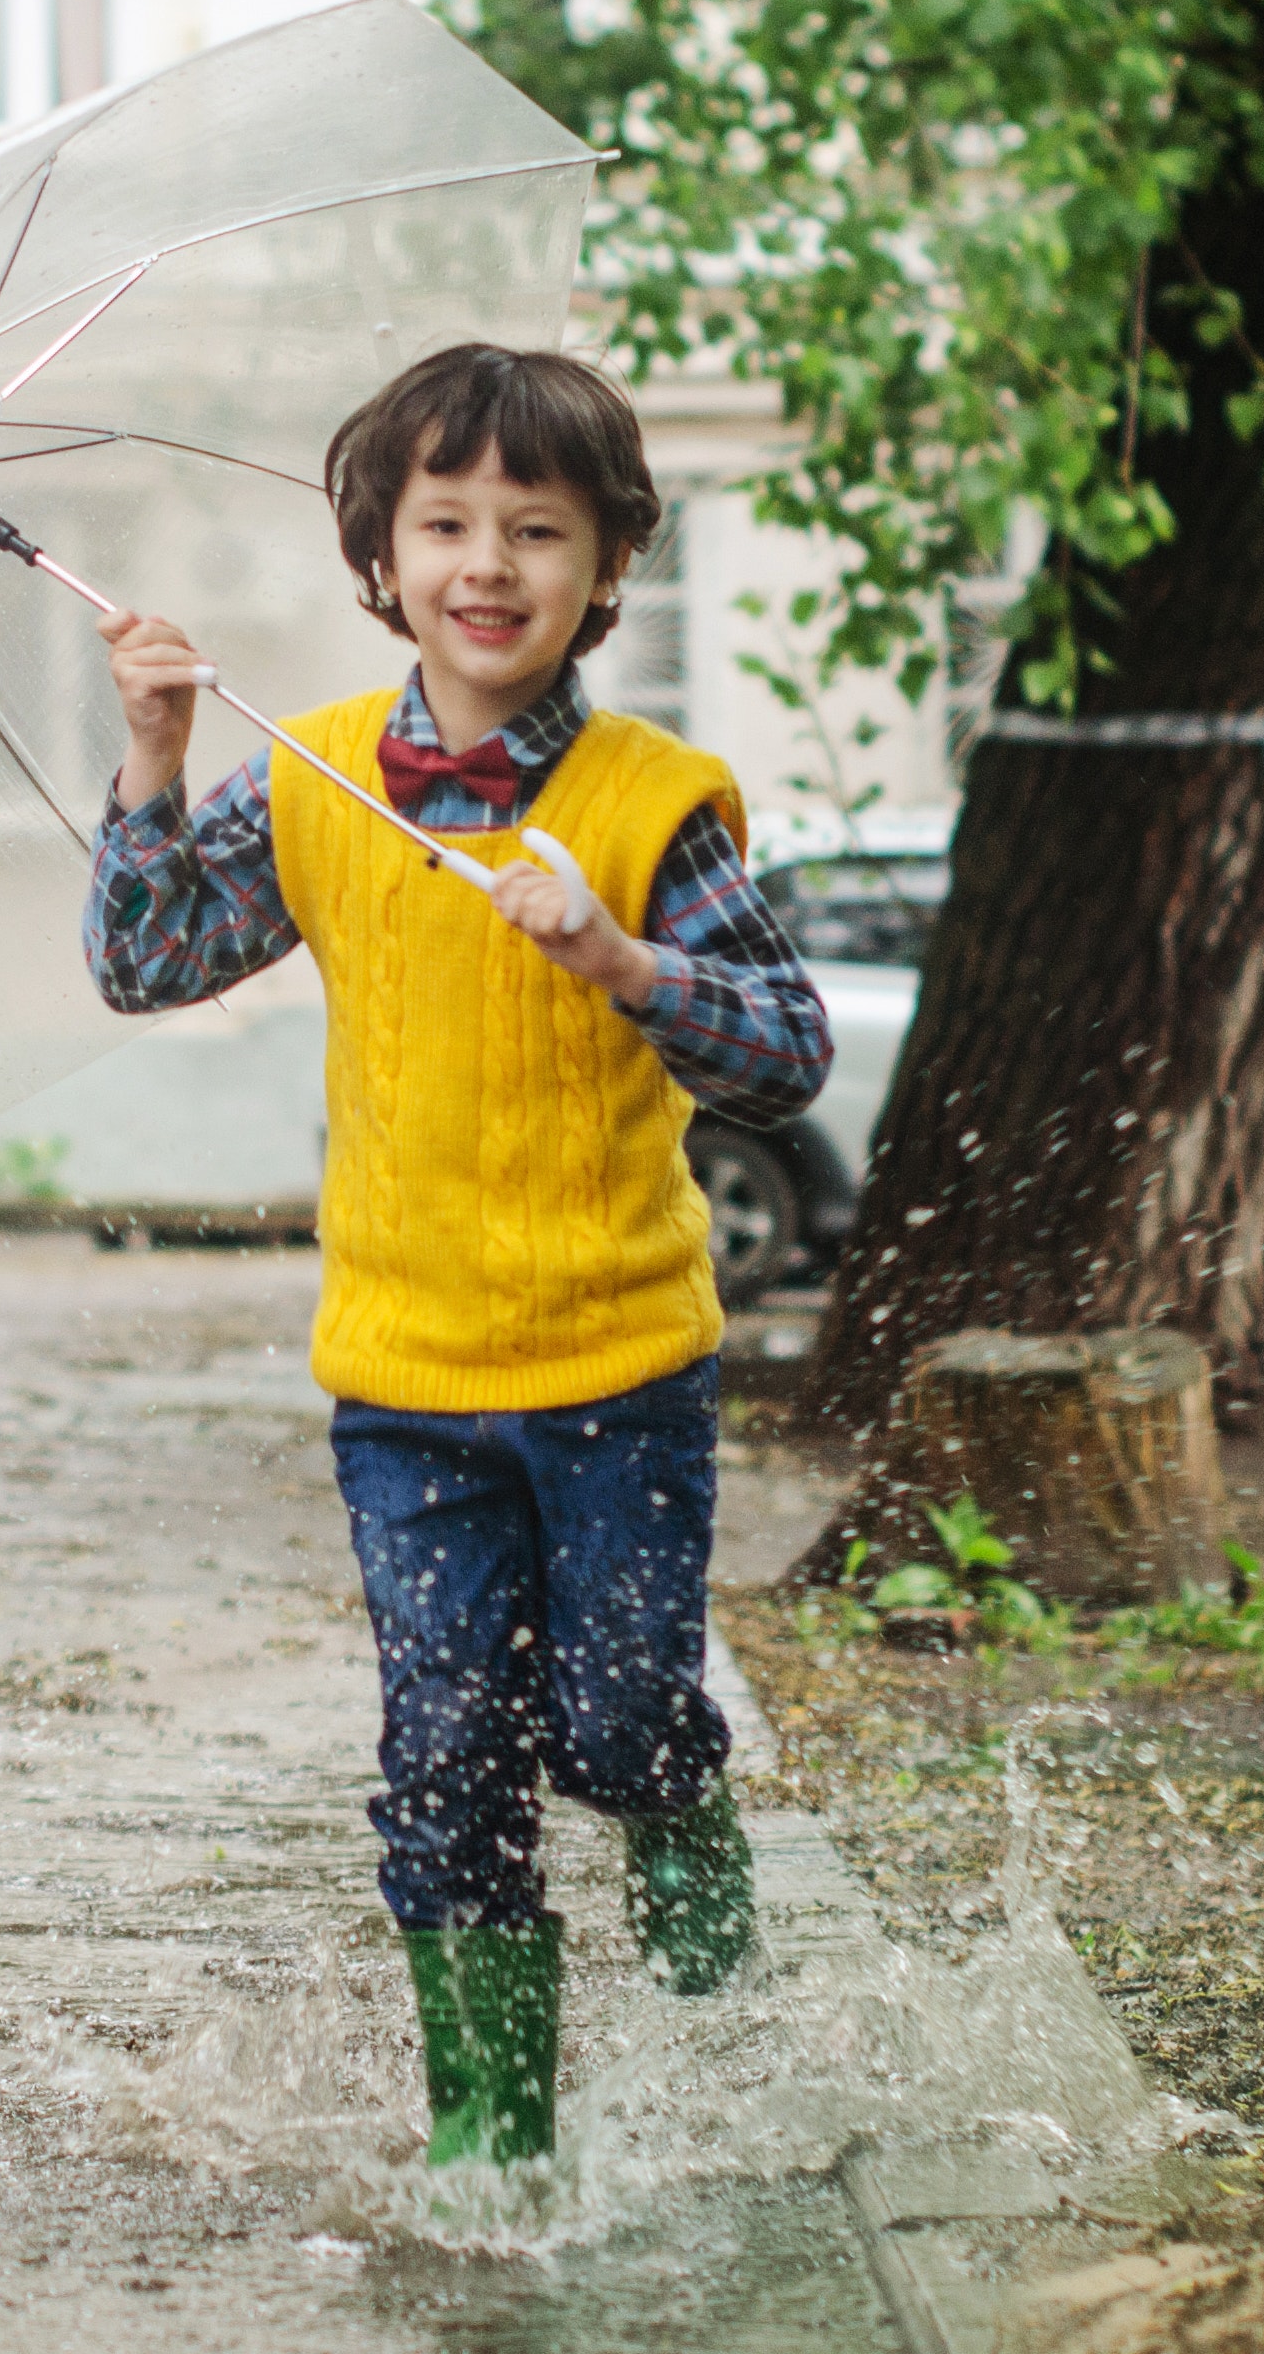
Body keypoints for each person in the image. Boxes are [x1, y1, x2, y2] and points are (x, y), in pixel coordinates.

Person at [86, 343, 833, 2166]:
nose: (485, 563)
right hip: (406, 1386)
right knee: (447, 1762)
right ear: (381, 552)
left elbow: (787, 1049)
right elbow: (148, 963)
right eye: (445, 524)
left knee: (625, 1719)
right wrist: (160, 757)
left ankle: (692, 1872)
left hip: (619, 1369)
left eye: (535, 528)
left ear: (604, 566)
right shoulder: (322, 778)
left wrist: (625, 962)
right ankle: (496, 2151)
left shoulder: (656, 800)